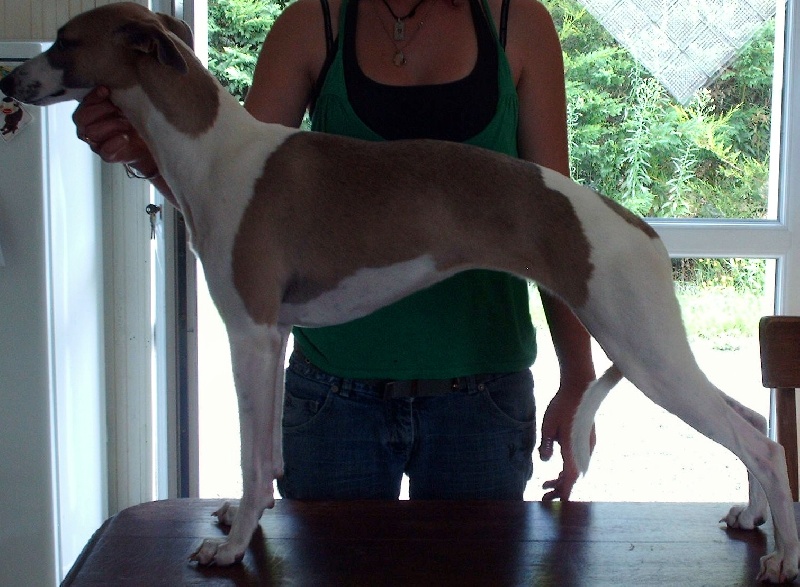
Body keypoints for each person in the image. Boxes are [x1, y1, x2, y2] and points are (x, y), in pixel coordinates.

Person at [74, 0, 596, 500]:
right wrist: (145, 156)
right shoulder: (310, 25)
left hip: (483, 396)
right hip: (334, 403)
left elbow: (556, 224)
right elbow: (231, 199)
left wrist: (578, 380)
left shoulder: (518, 24)